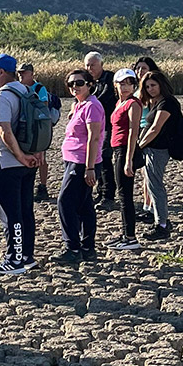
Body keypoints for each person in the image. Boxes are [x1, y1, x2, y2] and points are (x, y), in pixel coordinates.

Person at [0, 54, 41, 275]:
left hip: (7, 162)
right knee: (26, 210)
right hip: (28, 161)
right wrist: (33, 154)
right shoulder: (28, 91)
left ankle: (14, 260)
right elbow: (41, 124)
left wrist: (19, 156)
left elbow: (4, 131)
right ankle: (27, 256)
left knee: (10, 213)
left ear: (2, 72)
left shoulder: (2, 97)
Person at [50, 70, 105, 265]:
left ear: (90, 84)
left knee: (65, 202)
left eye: (79, 83)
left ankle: (72, 247)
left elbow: (94, 137)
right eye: (71, 83)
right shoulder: (79, 105)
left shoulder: (92, 106)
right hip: (73, 160)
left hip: (82, 163)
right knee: (83, 204)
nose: (75, 87)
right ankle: (87, 247)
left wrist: (89, 168)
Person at [136, 70, 179, 241]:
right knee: (151, 183)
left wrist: (139, 145)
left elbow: (155, 128)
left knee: (155, 186)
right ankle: (160, 220)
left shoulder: (167, 103)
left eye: (153, 85)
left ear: (161, 84)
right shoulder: (156, 102)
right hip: (152, 148)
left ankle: (162, 225)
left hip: (159, 150)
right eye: (147, 86)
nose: (150, 89)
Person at [106, 69, 143, 251]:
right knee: (122, 194)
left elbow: (133, 132)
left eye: (129, 83)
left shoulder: (133, 104)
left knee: (125, 194)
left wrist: (128, 159)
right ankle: (125, 233)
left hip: (126, 151)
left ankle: (130, 236)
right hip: (117, 149)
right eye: (122, 83)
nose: (125, 86)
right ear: (116, 85)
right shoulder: (119, 103)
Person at [132, 57, 162, 224]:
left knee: (149, 173)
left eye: (143, 68)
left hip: (147, 129)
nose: (140, 72)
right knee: (144, 173)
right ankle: (146, 205)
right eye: (137, 69)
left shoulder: (152, 90)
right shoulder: (140, 88)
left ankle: (150, 208)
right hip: (139, 129)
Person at [85, 52, 117, 210]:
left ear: (101, 64)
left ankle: (108, 195)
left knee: (105, 158)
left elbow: (104, 99)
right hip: (96, 126)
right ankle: (100, 191)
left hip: (110, 126)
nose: (89, 68)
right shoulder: (88, 82)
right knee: (97, 158)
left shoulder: (111, 79)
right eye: (87, 65)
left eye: (92, 65)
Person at [17, 63, 53, 201]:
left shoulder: (39, 88)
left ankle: (43, 186)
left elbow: (44, 107)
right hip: (26, 126)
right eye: (20, 73)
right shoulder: (19, 88)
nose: (21, 75)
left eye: (24, 73)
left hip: (39, 126)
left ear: (32, 74)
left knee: (41, 157)